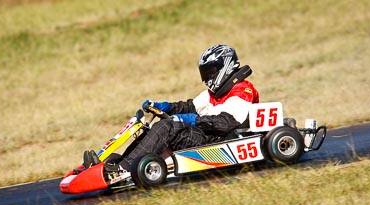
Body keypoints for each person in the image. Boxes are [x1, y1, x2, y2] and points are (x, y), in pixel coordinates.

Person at [83, 44, 259, 180]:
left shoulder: (242, 91)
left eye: (211, 71)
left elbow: (225, 123)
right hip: (206, 134)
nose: (208, 77)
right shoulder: (215, 92)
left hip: (220, 140)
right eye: (205, 72)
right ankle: (118, 163)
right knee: (150, 128)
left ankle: (124, 169)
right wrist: (166, 107)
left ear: (225, 67)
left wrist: (192, 120)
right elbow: (191, 107)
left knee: (167, 127)